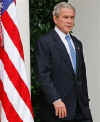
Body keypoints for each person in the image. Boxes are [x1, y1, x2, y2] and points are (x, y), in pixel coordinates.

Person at [35, 2, 93, 122]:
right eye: (65, 17)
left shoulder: (77, 43)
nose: (69, 21)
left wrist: (85, 102)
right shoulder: (45, 42)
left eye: (72, 17)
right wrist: (55, 99)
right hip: (58, 110)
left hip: (81, 110)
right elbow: (43, 75)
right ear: (55, 19)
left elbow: (81, 76)